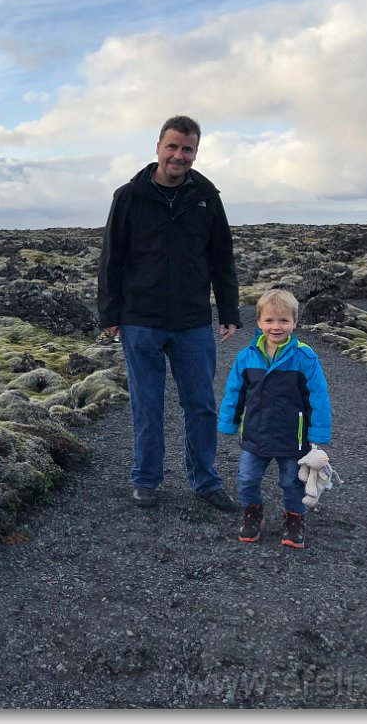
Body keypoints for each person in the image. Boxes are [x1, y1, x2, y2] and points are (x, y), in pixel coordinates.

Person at [98, 115, 242, 511]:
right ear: (158, 147)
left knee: (201, 404)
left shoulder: (207, 197)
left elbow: (222, 258)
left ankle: (205, 481)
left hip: (191, 321)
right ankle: (145, 479)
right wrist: (110, 314)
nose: (179, 155)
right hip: (140, 319)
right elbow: (111, 259)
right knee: (147, 404)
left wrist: (229, 310)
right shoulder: (129, 196)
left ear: (196, 152)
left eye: (187, 149)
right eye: (173, 146)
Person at [217, 289, 333, 549]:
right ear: (259, 322)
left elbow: (318, 397)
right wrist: (228, 421)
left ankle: (294, 517)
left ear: (295, 322)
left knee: (291, 481)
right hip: (255, 432)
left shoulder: (305, 357)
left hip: (293, 436)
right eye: (269, 320)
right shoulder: (246, 357)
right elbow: (235, 392)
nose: (276, 326)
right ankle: (252, 512)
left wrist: (318, 433)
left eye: (283, 320)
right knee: (247, 477)